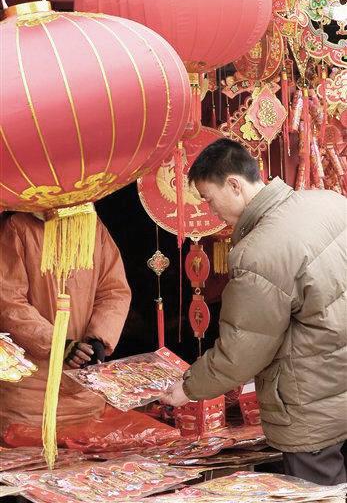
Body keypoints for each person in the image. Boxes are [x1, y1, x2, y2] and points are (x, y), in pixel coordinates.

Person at [162, 138, 347, 485]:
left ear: (234, 184)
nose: (211, 211)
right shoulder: (330, 203)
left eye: (209, 199)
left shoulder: (259, 251)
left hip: (311, 404)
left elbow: (243, 350)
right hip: (338, 384)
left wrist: (187, 388)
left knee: (319, 493)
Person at [0, 211, 131, 442]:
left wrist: (99, 339)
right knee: (32, 469)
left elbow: (114, 291)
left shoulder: (92, 224)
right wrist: (57, 343)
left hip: (86, 389)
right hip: (31, 392)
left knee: (86, 470)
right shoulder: (18, 225)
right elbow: (9, 301)